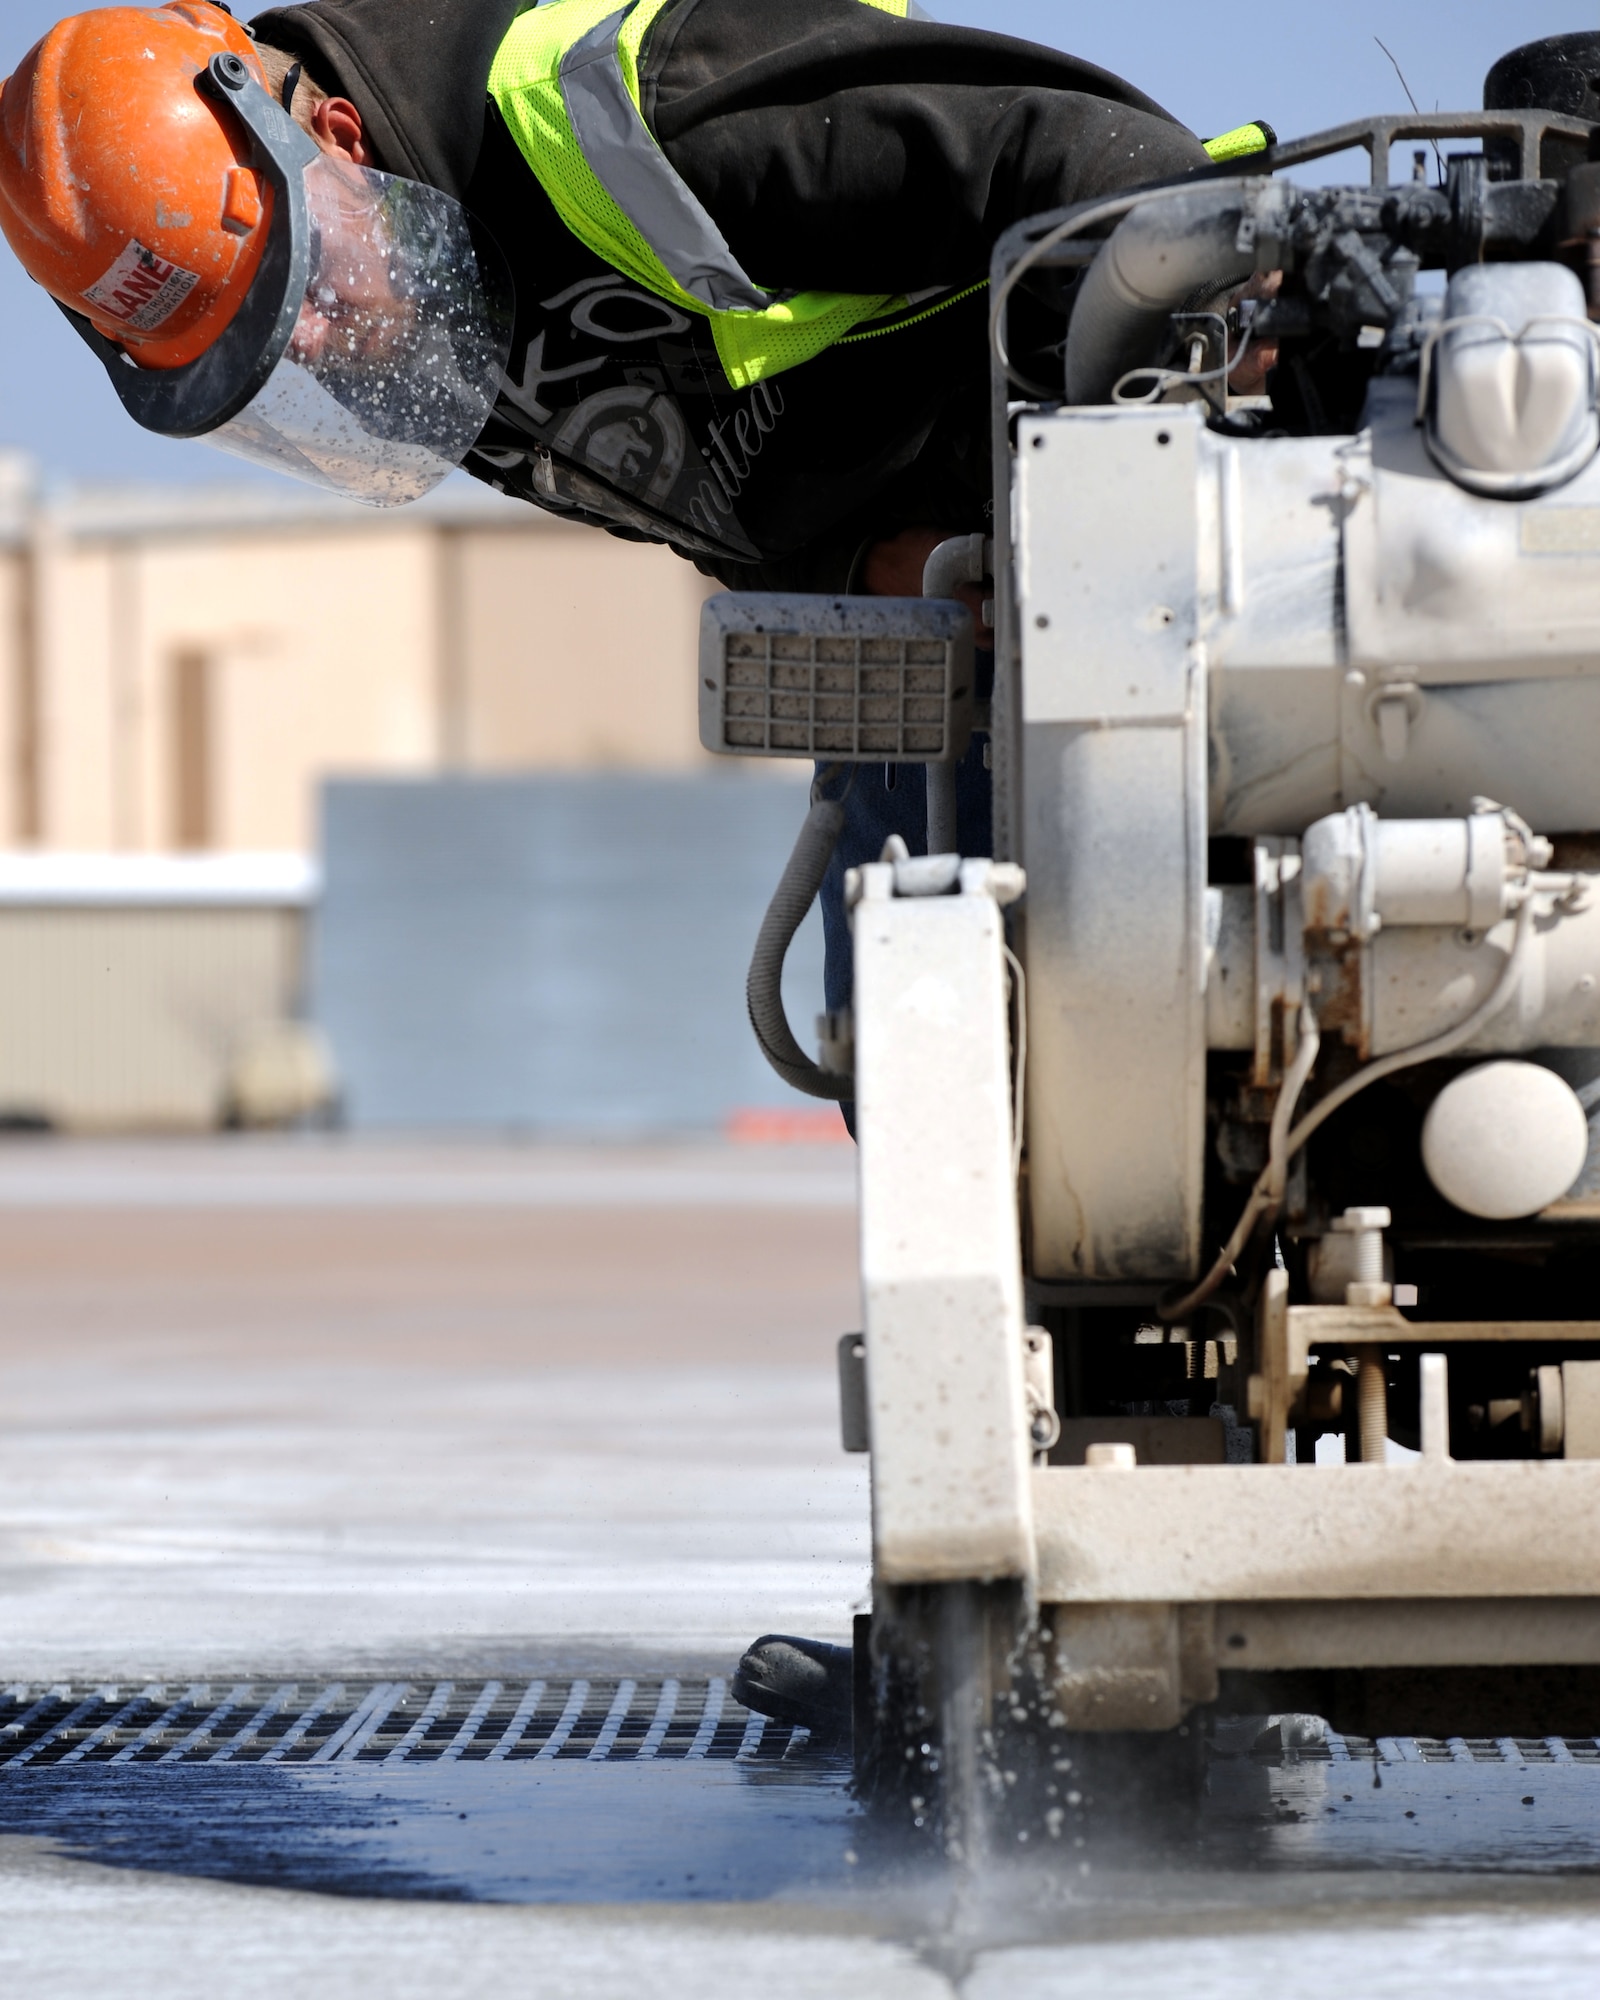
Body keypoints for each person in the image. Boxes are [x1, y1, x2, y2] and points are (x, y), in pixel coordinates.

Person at [0, 0, 1256, 1732]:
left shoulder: (603, 114)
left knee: (1178, 1074)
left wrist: (1057, 500)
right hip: (975, 637)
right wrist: (889, 561)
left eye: (313, 281)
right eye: (272, 343)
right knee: (958, 1083)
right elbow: (744, 462)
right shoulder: (420, 310)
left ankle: (1099, 1578)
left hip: (1180, 562)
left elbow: (1100, 176)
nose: (336, 339)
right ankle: (1011, 1601)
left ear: (330, 143)